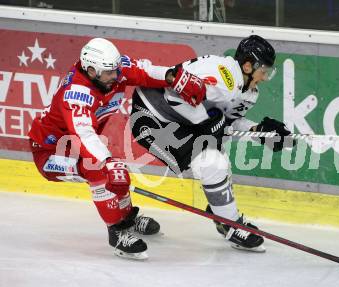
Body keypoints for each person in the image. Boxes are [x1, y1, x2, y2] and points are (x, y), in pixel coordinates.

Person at [28, 37, 206, 260]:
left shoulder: (113, 69)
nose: (116, 76)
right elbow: (83, 135)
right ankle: (117, 232)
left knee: (114, 170)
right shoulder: (75, 94)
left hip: (75, 144)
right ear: (91, 70)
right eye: (110, 73)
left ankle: (127, 218)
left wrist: (172, 76)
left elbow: (144, 71)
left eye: (116, 70)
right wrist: (108, 162)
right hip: (49, 153)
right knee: (97, 167)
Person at [130, 35, 292, 252]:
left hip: (180, 120)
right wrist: (207, 121)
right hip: (152, 117)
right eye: (264, 71)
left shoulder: (250, 92)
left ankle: (226, 218)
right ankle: (230, 223)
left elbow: (228, 122)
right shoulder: (222, 77)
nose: (265, 77)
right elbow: (174, 96)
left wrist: (258, 131)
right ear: (247, 66)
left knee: (218, 159)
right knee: (212, 163)